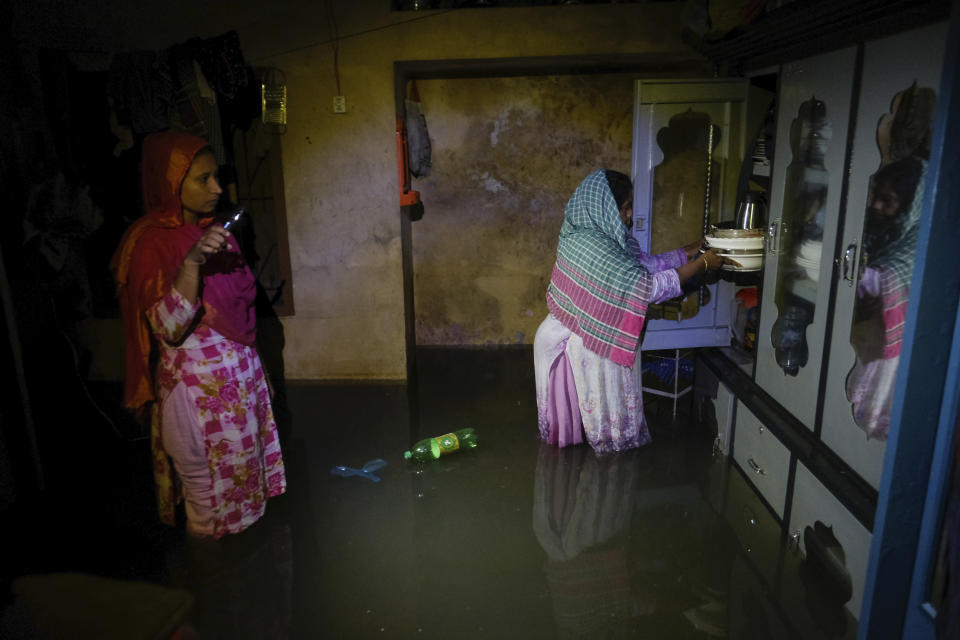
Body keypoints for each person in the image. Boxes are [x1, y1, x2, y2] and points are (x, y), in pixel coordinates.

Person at [111, 131, 286, 538]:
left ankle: (244, 590)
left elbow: (241, 316)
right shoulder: (151, 243)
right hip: (199, 404)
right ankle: (209, 591)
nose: (217, 189)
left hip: (240, 391)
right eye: (202, 179)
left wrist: (262, 379)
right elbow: (168, 328)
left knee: (247, 492)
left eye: (216, 177)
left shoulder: (213, 233)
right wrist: (190, 265)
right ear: (169, 183)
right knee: (208, 507)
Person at [534, 169, 725, 454]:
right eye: (625, 207)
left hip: (587, 337)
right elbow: (645, 288)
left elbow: (645, 264)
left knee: (581, 440)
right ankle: (601, 484)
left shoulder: (602, 236)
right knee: (590, 440)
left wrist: (694, 249)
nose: (629, 215)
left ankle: (588, 481)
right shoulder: (592, 246)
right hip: (576, 345)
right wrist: (703, 264)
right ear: (605, 207)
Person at [846, 155, 925, 439]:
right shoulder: (892, 238)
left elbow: (877, 281)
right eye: (876, 197)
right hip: (875, 346)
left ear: (910, 206)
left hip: (895, 361)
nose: (875, 206)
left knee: (878, 415)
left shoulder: (912, 250)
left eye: (887, 200)